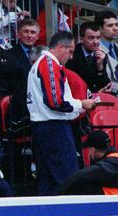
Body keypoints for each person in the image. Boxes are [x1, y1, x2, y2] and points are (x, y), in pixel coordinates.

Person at [27, 31, 96, 196]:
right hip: (54, 129)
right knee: (67, 178)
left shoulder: (44, 64)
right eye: (70, 51)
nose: (71, 57)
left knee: (48, 180)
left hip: (46, 127)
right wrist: (82, 104)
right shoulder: (49, 64)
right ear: (60, 47)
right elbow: (55, 102)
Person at [59, 130, 118, 195]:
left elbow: (81, 175)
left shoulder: (110, 163)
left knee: (81, 186)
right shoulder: (114, 157)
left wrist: (60, 191)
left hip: (113, 198)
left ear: (93, 149)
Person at [8, 18, 40, 129]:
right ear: (18, 34)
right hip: (21, 107)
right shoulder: (9, 55)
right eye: (26, 31)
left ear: (38, 36)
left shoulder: (44, 54)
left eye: (33, 32)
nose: (29, 35)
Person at [65, 22, 110, 93]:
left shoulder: (101, 54)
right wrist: (96, 93)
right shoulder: (72, 55)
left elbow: (105, 84)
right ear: (82, 39)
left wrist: (100, 66)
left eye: (98, 38)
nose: (96, 42)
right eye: (91, 38)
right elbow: (75, 85)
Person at [95, 10, 118, 89]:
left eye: (116, 25)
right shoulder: (94, 50)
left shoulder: (116, 47)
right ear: (100, 29)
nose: (115, 28)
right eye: (110, 25)